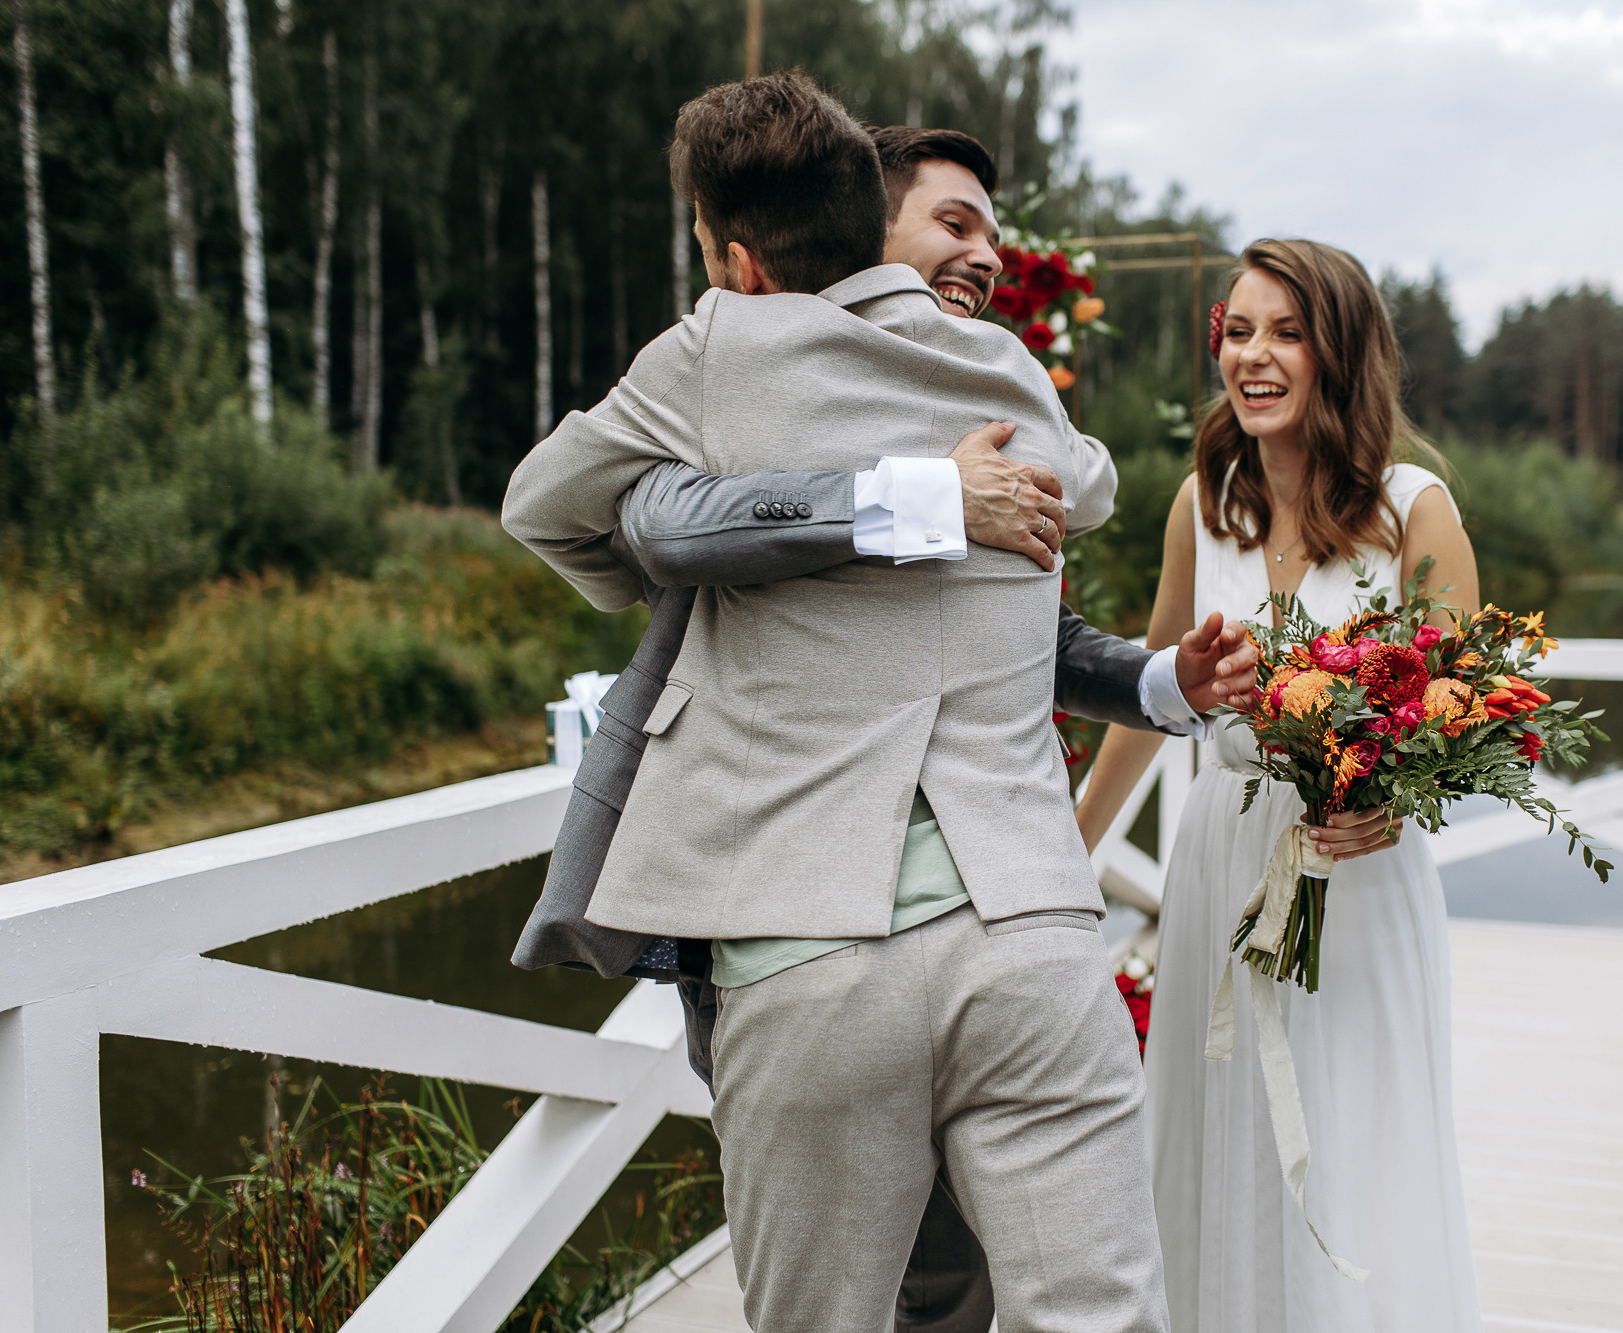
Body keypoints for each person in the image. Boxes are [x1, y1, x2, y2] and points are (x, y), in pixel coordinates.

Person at [510, 121, 1255, 1333]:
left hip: (805, 951)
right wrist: (920, 495)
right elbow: (1094, 483)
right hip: (1033, 941)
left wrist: (662, 519)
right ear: (875, 224)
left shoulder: (719, 352)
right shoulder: (1009, 377)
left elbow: (550, 508)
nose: (976, 257)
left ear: (735, 258)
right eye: (952, 224)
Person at [1075, 239, 1484, 1332]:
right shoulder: (1201, 505)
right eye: (1238, 330)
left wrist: (1391, 798)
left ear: (1337, 353)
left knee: (1353, 1139)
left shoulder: (1414, 511)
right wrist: (1073, 844)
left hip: (1356, 882)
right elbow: (1154, 694)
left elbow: (1457, 716)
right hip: (1218, 861)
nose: (1252, 356)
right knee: (1224, 1131)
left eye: (1286, 332)